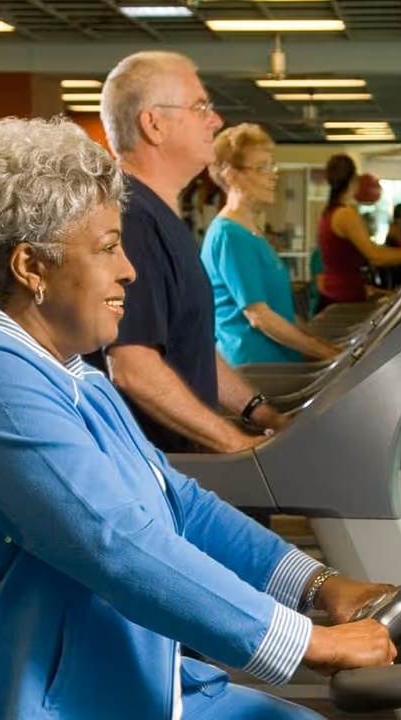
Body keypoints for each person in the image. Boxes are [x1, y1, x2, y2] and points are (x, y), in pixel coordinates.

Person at [0, 115, 398, 720]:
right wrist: (306, 641)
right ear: (31, 267)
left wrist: (319, 585)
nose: (128, 268)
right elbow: (116, 544)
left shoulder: (76, 377)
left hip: (122, 686)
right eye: (105, 248)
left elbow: (180, 505)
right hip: (8, 702)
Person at [94, 51, 287, 454]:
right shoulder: (131, 220)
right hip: (157, 480)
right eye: (201, 107)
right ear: (154, 124)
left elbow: (187, 345)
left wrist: (259, 412)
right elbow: (133, 368)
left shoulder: (157, 215)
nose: (215, 121)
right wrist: (237, 445)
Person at [201, 123, 339, 366]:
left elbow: (280, 311)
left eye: (272, 165)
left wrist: (326, 345)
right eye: (262, 167)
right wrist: (328, 354)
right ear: (232, 176)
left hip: (279, 363)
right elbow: (259, 316)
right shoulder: (229, 234)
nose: (273, 174)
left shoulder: (252, 231)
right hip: (254, 370)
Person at [316, 154, 401, 312]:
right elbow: (376, 256)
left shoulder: (329, 213)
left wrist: (376, 291)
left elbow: (343, 267)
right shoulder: (345, 214)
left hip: (339, 298)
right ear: (354, 180)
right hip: (341, 304)